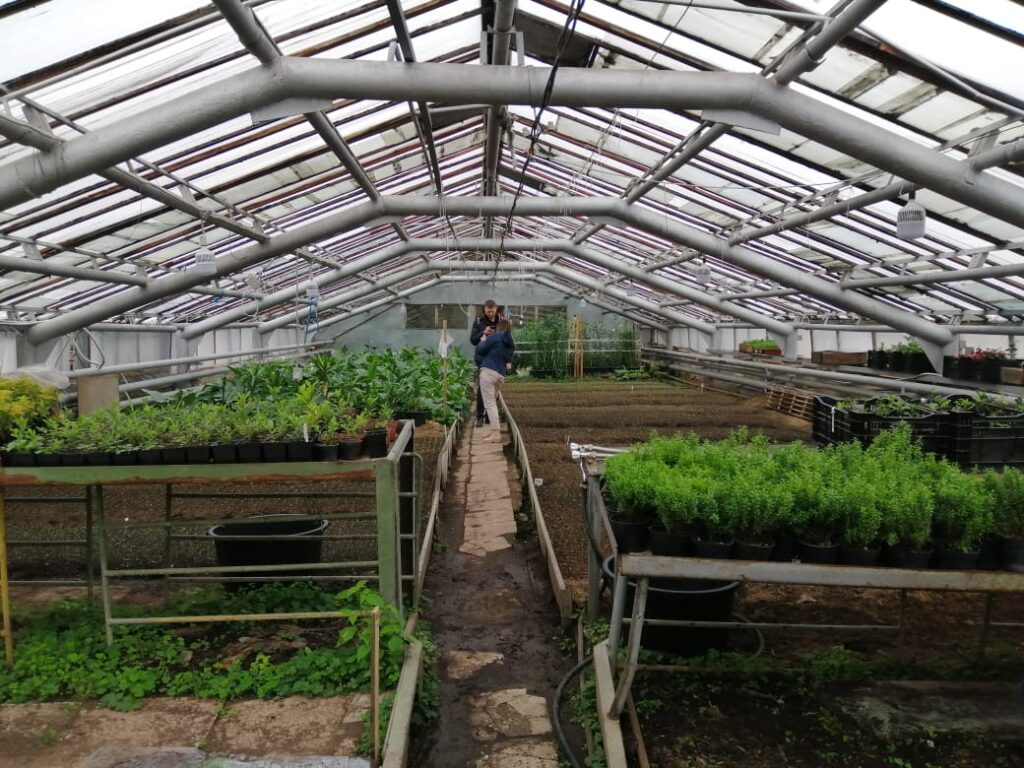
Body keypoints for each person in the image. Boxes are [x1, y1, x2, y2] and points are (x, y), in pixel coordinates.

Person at [475, 319, 515, 443]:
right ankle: (493, 431)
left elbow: (480, 350)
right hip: (500, 375)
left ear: (499, 327)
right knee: (492, 403)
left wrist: (483, 340)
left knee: (489, 404)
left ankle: (496, 434)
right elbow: (508, 359)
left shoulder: (495, 336)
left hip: (488, 372)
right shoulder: (511, 343)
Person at [470, 300, 502, 427]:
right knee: (482, 388)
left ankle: (490, 416)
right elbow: (472, 340)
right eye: (488, 311)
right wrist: (483, 332)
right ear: (484, 309)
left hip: (497, 359)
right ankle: (479, 416)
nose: (490, 314)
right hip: (482, 359)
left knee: (494, 387)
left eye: (492, 311)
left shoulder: (501, 321)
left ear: (496, 309)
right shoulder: (479, 321)